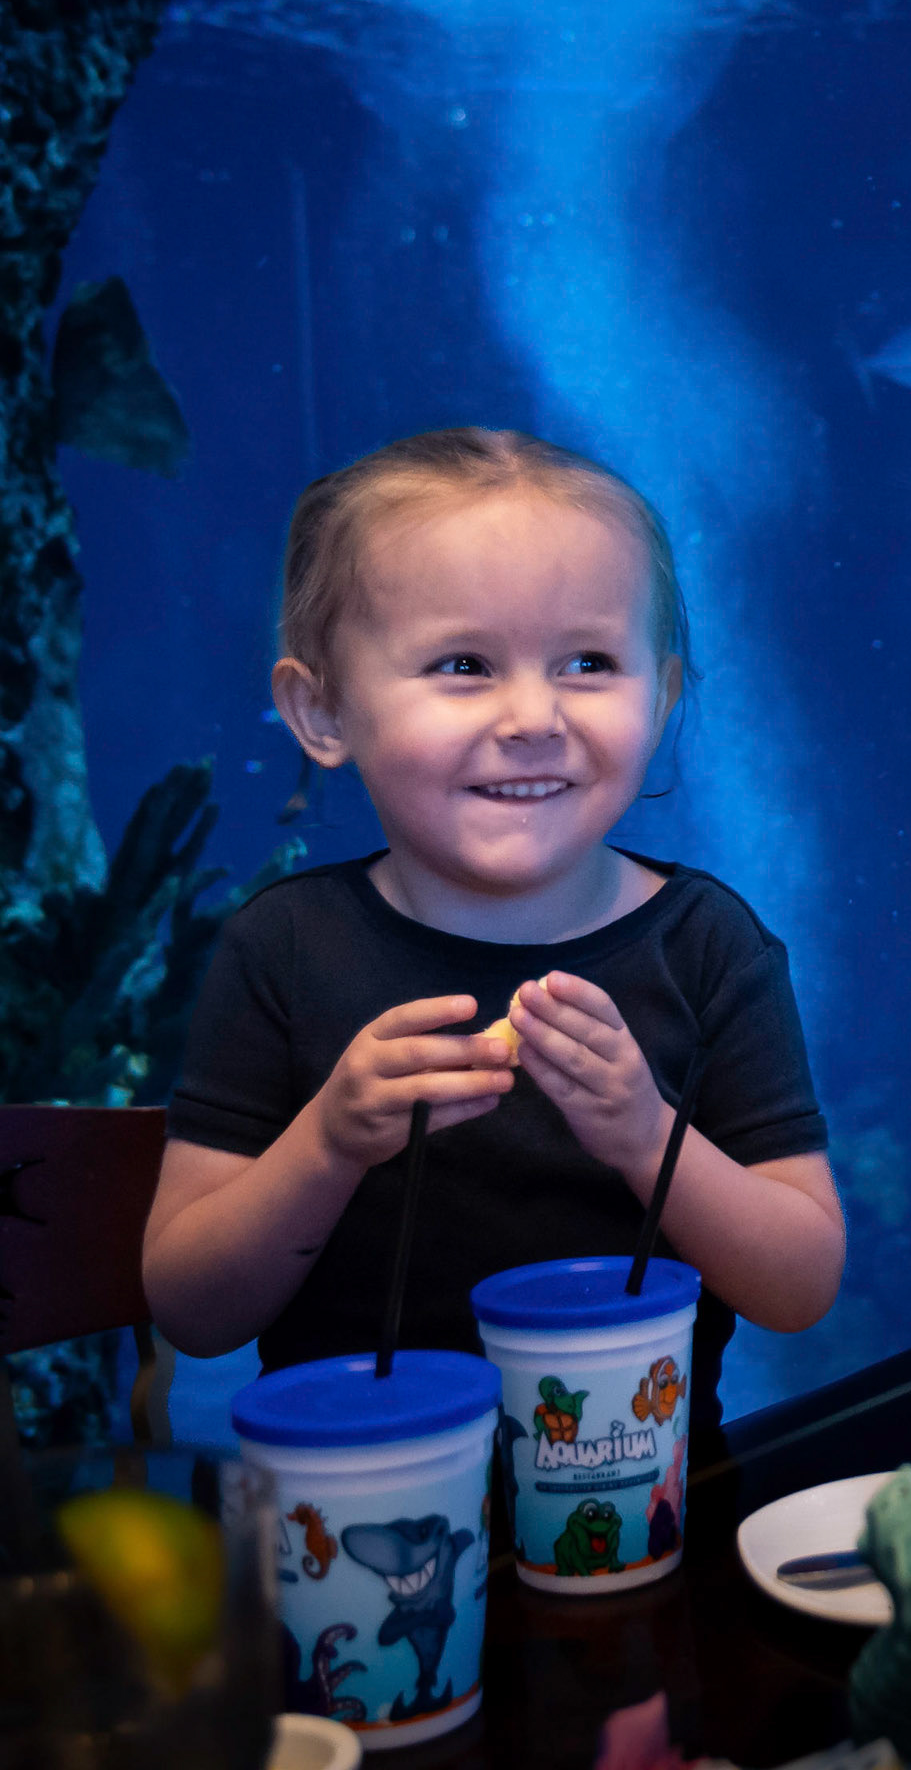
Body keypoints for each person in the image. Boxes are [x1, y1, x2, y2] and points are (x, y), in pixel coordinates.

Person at [143, 427, 844, 1435]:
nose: (533, 713)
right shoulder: (283, 949)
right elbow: (192, 1309)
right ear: (322, 709)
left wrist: (647, 1135)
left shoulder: (709, 946)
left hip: (648, 1524)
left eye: (590, 660)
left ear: (665, 693)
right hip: (353, 1530)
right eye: (465, 662)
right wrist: (328, 1141)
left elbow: (800, 1285)